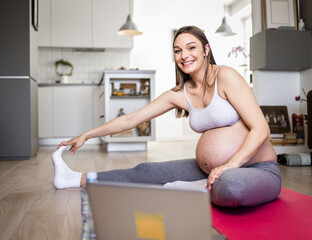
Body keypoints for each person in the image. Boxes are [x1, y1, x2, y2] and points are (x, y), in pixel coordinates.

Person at [52, 26, 281, 207]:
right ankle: (73, 179)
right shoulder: (180, 94)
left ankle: (189, 188)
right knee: (146, 172)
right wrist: (87, 135)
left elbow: (262, 129)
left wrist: (230, 165)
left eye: (191, 47)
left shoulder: (226, 76)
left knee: (230, 188)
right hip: (210, 170)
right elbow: (131, 119)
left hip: (256, 169)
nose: (184, 55)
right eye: (178, 50)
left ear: (206, 50)